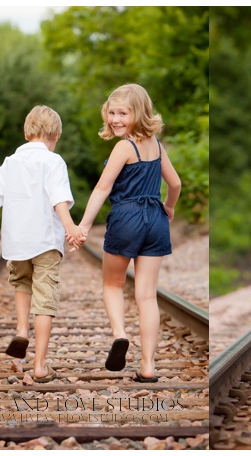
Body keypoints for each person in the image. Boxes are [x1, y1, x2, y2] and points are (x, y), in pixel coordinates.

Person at [0, 105, 84, 383]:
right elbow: (58, 197)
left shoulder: (10, 162)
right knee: (45, 300)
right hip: (45, 242)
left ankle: (22, 329)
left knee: (22, 284)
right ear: (56, 136)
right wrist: (70, 227)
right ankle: (39, 365)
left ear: (26, 133)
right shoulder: (54, 161)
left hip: (17, 243)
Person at [72, 84, 181, 382]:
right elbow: (175, 184)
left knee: (113, 284)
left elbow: (102, 188)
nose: (115, 119)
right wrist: (169, 209)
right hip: (156, 219)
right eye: (112, 112)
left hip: (126, 218)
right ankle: (148, 366)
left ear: (139, 114)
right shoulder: (157, 146)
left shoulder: (123, 147)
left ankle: (120, 334)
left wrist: (83, 225)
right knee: (147, 295)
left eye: (123, 113)